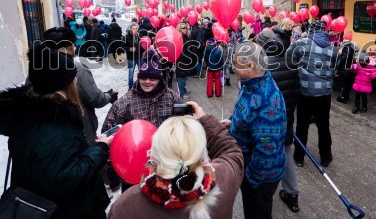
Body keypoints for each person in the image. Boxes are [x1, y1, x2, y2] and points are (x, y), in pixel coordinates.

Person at [0, 45, 113, 218]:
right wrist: (100, 150)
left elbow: (57, 164)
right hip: (64, 210)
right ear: (64, 86)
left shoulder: (32, 116)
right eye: (73, 78)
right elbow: (64, 178)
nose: (76, 81)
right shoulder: (52, 127)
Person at [107, 101, 244, 219]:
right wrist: (203, 118)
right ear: (202, 150)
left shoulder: (128, 205)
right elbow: (231, 151)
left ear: (155, 152)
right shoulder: (223, 176)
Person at [221, 41, 286, 219]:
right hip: (250, 167)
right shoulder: (251, 83)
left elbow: (266, 152)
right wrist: (232, 121)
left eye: (236, 63)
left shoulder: (265, 101)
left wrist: (249, 179)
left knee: (257, 213)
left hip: (259, 178)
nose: (233, 67)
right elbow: (246, 112)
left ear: (250, 66)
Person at [102, 48, 183, 192]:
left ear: (160, 78)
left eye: (152, 78)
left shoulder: (172, 99)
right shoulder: (124, 104)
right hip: (133, 174)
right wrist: (113, 168)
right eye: (143, 77)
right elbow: (109, 137)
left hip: (164, 168)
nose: (147, 82)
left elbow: (183, 128)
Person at [41, 27, 118, 146]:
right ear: (70, 47)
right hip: (79, 131)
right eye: (74, 44)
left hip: (46, 134)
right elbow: (94, 98)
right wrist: (108, 96)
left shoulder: (36, 70)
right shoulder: (76, 69)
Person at [255, 30, 301, 213]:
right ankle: (292, 193)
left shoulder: (262, 67)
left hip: (266, 123)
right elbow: (297, 91)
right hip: (286, 118)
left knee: (263, 155)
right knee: (286, 154)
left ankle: (265, 189)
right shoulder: (291, 62)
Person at [287, 20, 338, 168]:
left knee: (302, 124)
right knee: (323, 125)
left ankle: (299, 157)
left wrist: (301, 67)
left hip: (305, 91)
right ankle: (326, 157)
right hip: (325, 93)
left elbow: (289, 56)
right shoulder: (333, 48)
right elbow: (335, 68)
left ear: (311, 30)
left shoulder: (302, 43)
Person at [176, 23, 198, 99]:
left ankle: (184, 90)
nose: (185, 29)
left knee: (184, 77)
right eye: (183, 28)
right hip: (181, 61)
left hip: (187, 61)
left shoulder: (186, 37)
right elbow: (180, 51)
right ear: (179, 29)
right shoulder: (179, 39)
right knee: (181, 78)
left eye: (186, 28)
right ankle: (181, 94)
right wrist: (187, 57)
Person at [336, 31, 358, 104]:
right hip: (350, 68)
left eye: (344, 38)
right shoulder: (353, 47)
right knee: (348, 83)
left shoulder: (346, 47)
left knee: (344, 84)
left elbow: (343, 58)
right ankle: (346, 96)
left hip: (345, 68)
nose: (343, 40)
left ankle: (343, 97)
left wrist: (338, 65)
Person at [124, 22, 141, 89]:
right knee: (131, 73)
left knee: (141, 72)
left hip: (139, 57)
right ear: (130, 29)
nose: (135, 30)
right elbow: (122, 47)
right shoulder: (126, 37)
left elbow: (141, 46)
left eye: (136, 28)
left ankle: (140, 85)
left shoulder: (138, 36)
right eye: (133, 29)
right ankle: (130, 86)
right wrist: (129, 49)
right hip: (131, 58)